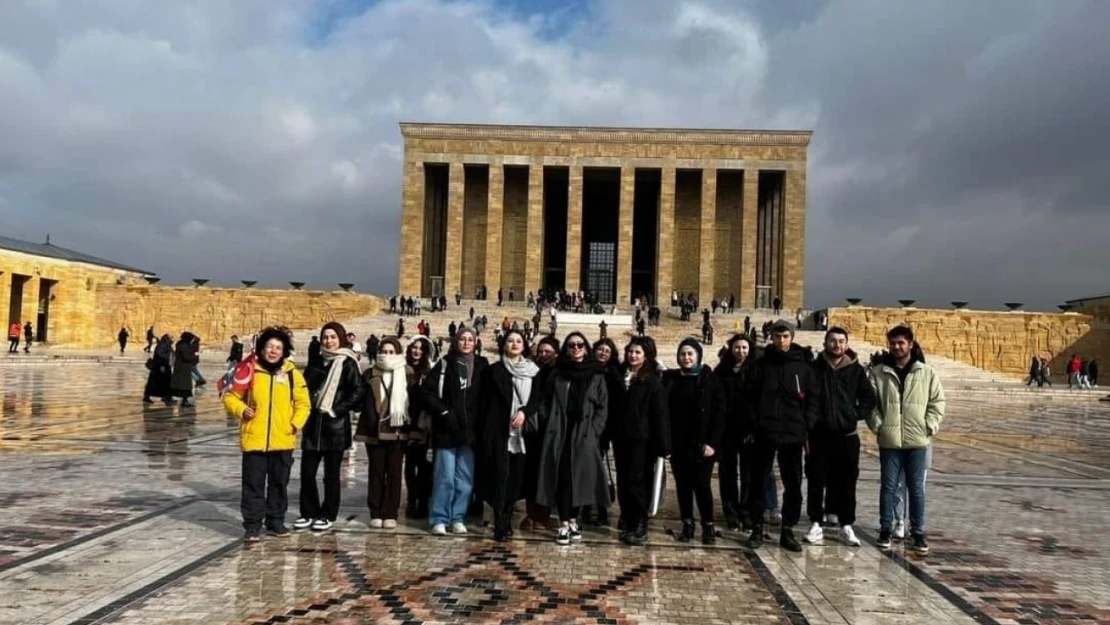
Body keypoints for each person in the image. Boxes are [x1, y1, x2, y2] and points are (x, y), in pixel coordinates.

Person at [222, 328, 311, 542]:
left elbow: (303, 403)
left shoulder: (291, 373)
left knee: (279, 484)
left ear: (284, 351)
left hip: (283, 439)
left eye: (278, 348)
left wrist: (294, 423)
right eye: (270, 346)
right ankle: (252, 525)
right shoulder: (249, 370)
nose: (273, 351)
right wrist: (241, 409)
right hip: (255, 438)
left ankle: (275, 521)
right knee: (253, 484)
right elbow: (231, 396)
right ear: (262, 348)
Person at [870, 325, 945, 555]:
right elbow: (871, 404)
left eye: (901, 342)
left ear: (911, 344)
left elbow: (937, 402)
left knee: (916, 489)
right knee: (888, 487)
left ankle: (918, 531)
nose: (896, 346)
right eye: (893, 343)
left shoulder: (926, 372)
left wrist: (929, 425)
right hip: (890, 440)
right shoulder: (879, 372)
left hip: (917, 440)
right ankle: (885, 528)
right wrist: (878, 425)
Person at [745, 321, 819, 552]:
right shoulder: (760, 365)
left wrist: (806, 424)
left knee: (793, 483)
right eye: (777, 336)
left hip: (792, 433)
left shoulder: (804, 368)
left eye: (785, 336)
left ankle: (787, 529)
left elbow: (813, 400)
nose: (781, 340)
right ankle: (756, 527)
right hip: (765, 431)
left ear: (792, 337)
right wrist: (755, 422)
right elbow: (749, 396)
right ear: (772, 338)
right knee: (757, 480)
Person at [803, 327, 877, 547]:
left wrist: (852, 415)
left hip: (847, 435)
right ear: (826, 343)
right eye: (833, 341)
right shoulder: (814, 369)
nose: (837, 345)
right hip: (819, 435)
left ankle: (847, 524)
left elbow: (869, 400)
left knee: (847, 482)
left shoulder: (855, 370)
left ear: (846, 344)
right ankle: (815, 523)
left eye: (841, 341)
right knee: (816, 480)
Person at [534, 332, 609, 546]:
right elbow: (544, 400)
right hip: (559, 432)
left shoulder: (596, 375)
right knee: (563, 478)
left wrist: (595, 430)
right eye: (571, 345)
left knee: (581, 479)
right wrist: (547, 419)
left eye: (579, 345)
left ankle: (574, 519)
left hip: (584, 434)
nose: (575, 348)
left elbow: (602, 407)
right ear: (566, 350)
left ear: (586, 348)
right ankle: (564, 523)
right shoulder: (558, 374)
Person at [417, 327, 489, 536]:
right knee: (445, 477)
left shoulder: (482, 365)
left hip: (471, 431)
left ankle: (457, 517)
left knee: (465, 479)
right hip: (447, 429)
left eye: (470, 339)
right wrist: (444, 411)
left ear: (475, 343)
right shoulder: (444, 364)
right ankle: (439, 518)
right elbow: (427, 393)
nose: (466, 343)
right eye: (462, 339)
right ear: (456, 341)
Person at [295, 322, 365, 532]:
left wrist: (337, 409)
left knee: (331, 475)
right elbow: (304, 387)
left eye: (333, 337)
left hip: (334, 426)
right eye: (325, 337)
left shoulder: (347, 363)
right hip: (313, 424)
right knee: (307, 473)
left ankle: (327, 514)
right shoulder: (316, 361)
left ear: (341, 339)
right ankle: (308, 512)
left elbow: (359, 391)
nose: (329, 341)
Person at [477, 329, 541, 541]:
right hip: (498, 431)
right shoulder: (493, 370)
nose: (514, 344)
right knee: (501, 476)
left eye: (518, 341)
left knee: (516, 478)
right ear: (504, 345)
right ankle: (499, 521)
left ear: (524, 345)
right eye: (510, 341)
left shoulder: (533, 370)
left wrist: (524, 412)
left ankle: (507, 514)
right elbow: (484, 402)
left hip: (523, 433)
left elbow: (536, 399)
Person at [663, 339, 725, 545]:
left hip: (703, 444)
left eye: (690, 354)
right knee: (683, 485)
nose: (686, 358)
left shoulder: (710, 380)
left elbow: (719, 414)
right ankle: (687, 523)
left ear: (698, 356)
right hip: (679, 444)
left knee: (702, 485)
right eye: (682, 354)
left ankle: (708, 524)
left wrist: (712, 443)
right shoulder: (671, 379)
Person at [612, 336, 670, 546]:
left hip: (642, 440)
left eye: (637, 353)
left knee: (637, 481)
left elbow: (660, 414)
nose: (633, 356)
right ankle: (627, 519)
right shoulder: (620, 376)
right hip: (621, 438)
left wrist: (664, 444)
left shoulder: (652, 381)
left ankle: (640, 523)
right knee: (624, 480)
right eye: (630, 352)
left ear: (646, 356)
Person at [355, 337, 413, 529]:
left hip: (398, 431)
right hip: (374, 430)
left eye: (391, 352)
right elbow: (361, 400)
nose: (387, 355)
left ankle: (390, 512)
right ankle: (376, 511)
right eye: (384, 351)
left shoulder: (407, 373)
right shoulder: (369, 373)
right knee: (376, 472)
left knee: (395, 473)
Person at [520, 335, 561, 531]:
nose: (543, 355)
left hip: (551, 427)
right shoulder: (533, 370)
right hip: (533, 428)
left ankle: (544, 514)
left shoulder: (560, 372)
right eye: (541, 352)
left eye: (548, 352)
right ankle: (531, 513)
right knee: (531, 472)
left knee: (547, 472)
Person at [713, 334, 754, 531]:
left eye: (744, 348)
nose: (741, 352)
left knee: (748, 474)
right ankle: (730, 511)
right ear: (731, 349)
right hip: (727, 430)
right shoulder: (721, 371)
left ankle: (746, 512)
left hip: (748, 431)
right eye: (737, 348)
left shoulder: (756, 370)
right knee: (727, 472)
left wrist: (752, 427)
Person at [404, 336, 437, 519]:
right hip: (405, 423)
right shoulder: (401, 369)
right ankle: (411, 499)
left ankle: (423, 502)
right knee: (409, 465)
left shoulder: (429, 372)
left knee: (423, 465)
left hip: (422, 423)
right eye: (414, 348)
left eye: (420, 349)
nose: (416, 351)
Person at [143, 335, 175, 405]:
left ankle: (167, 396)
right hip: (160, 367)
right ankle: (164, 397)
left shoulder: (167, 345)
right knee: (157, 383)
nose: (172, 339)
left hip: (164, 366)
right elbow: (160, 356)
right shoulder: (162, 346)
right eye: (171, 338)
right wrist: (162, 365)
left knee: (165, 382)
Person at [170, 332, 199, 407]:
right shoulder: (184, 346)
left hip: (181, 367)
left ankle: (184, 400)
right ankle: (185, 401)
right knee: (184, 385)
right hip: (183, 368)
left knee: (182, 385)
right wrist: (194, 355)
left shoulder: (180, 344)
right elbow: (186, 357)